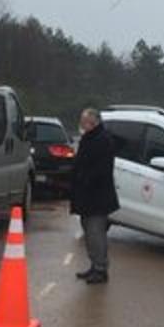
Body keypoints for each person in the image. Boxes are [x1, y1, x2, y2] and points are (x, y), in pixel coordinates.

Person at [70, 107, 118, 284]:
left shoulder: (103, 140)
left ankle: (100, 268)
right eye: (82, 121)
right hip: (86, 195)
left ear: (94, 122)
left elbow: (102, 169)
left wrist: (85, 179)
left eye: (85, 121)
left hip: (97, 196)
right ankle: (94, 265)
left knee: (96, 232)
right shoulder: (88, 138)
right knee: (88, 231)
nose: (82, 125)